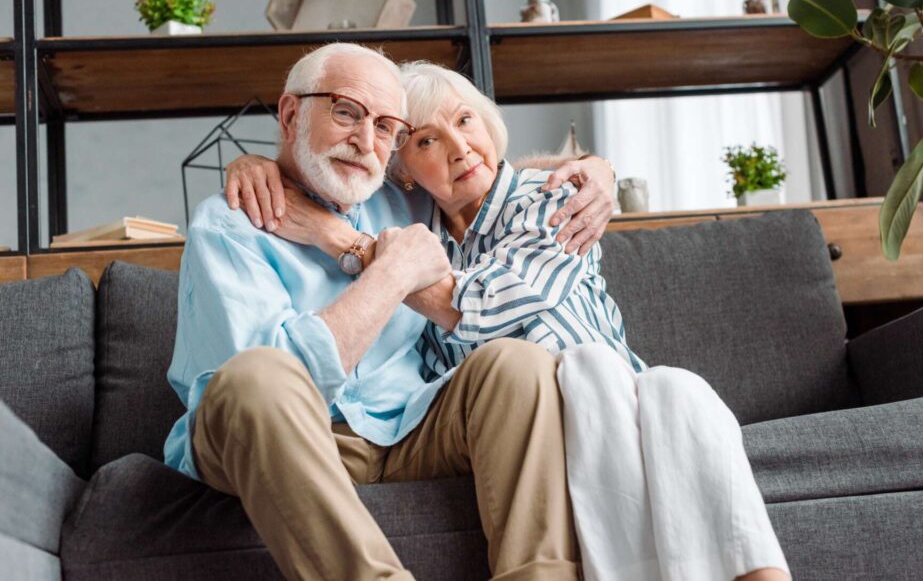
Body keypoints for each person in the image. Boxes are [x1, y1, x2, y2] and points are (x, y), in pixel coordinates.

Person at [228, 60, 792, 581]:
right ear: (402, 170)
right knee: (592, 377)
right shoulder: (420, 228)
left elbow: (479, 307)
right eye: (426, 139)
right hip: (522, 431)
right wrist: (263, 165)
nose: (458, 148)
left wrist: (339, 240)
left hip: (609, 397)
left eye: (466, 120)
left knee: (658, 385)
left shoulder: (551, 199)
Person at [164, 42, 618, 581]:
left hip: (406, 428)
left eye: (385, 128)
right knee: (256, 376)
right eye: (345, 112)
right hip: (286, 434)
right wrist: (388, 273)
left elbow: (479, 171)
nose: (363, 142)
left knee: (516, 364)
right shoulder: (231, 223)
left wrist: (593, 169)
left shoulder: (402, 196)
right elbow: (283, 390)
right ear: (290, 114)